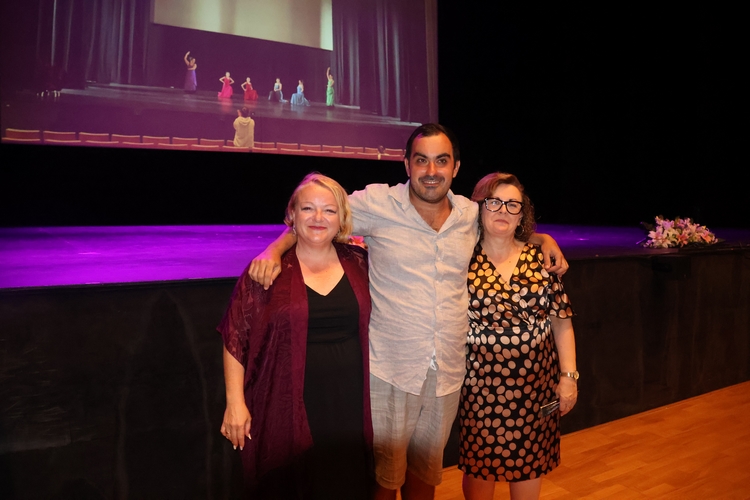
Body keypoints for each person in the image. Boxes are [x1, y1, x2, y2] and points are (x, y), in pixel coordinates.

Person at [249, 124, 568, 500]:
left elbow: (504, 227)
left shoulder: (469, 214)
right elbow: (319, 212)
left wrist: (544, 239)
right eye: (421, 160)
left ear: (455, 167)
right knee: (385, 478)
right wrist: (274, 248)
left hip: (447, 373)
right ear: (406, 164)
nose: (431, 171)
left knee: (425, 474)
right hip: (392, 372)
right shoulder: (378, 204)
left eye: (441, 161)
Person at [218, 173, 374, 499]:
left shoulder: (360, 262)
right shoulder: (267, 270)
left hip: (349, 404)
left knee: (345, 483)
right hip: (286, 401)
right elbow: (236, 336)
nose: (318, 218)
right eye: (308, 208)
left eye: (329, 210)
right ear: (292, 214)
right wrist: (235, 403)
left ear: (342, 218)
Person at [459, 173, 577, 500]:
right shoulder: (462, 259)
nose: (503, 210)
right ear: (479, 206)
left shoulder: (541, 258)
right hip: (480, 389)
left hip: (536, 387)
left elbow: (561, 321)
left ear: (522, 213)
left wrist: (569, 377)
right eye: (494, 202)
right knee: (480, 469)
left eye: (513, 204)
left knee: (530, 465)